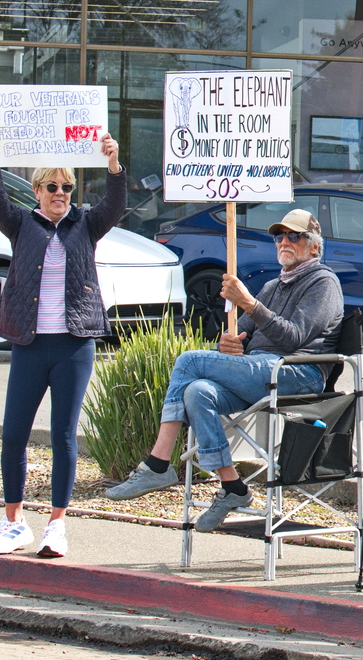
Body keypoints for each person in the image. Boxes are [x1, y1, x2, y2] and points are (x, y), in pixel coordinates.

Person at [105, 209, 345, 532]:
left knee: (188, 361)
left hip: (297, 374)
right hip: (260, 371)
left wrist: (250, 304)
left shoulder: (324, 282)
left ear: (314, 246)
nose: (284, 242)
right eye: (279, 236)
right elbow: (240, 333)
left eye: (294, 236)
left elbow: (293, 338)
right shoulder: (273, 286)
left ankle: (158, 463)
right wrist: (229, 343)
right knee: (197, 391)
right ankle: (232, 485)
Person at [0, 126, 127, 558]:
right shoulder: (21, 224)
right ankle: (12, 523)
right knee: (13, 434)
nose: (60, 193)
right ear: (38, 191)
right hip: (30, 344)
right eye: (52, 187)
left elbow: (115, 204)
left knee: (63, 435)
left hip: (73, 346)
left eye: (66, 187)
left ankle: (56, 526)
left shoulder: (86, 224)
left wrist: (113, 164)